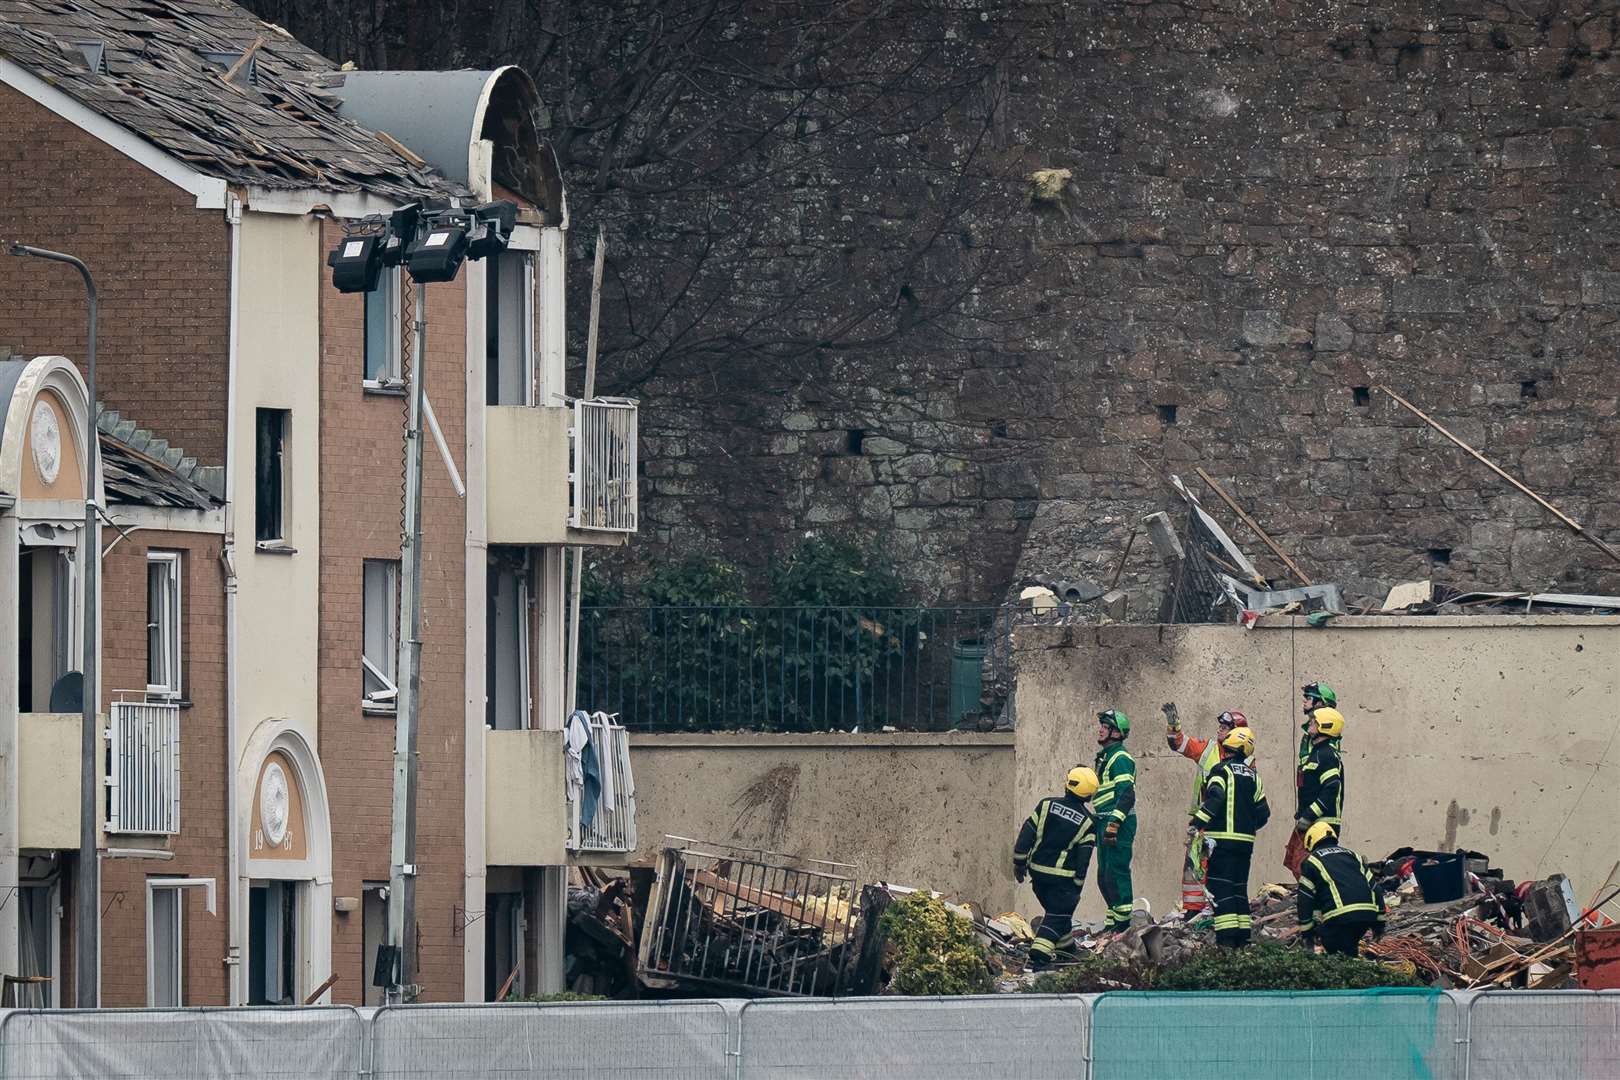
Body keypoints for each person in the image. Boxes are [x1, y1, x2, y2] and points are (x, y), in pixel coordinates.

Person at [1164, 703, 1251, 913]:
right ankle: (1194, 911)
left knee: (1222, 871)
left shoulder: (1248, 761)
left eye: (1225, 726)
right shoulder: (1208, 749)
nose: (1219, 729)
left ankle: (1216, 910)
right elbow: (1179, 744)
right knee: (1194, 867)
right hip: (1203, 821)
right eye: (1220, 725)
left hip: (1227, 824)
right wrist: (1173, 725)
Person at [1012, 767, 1100, 969]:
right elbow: (1083, 859)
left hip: (1037, 875)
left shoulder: (1046, 805)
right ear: (1089, 794)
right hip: (1062, 879)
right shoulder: (1088, 822)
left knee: (1058, 914)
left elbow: (1027, 833)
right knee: (1058, 914)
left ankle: (1067, 950)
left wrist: (1019, 862)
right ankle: (1039, 955)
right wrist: (1077, 885)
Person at [1190, 726, 1269, 947]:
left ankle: (1226, 943)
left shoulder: (1220, 770)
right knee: (1238, 889)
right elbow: (1264, 813)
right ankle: (1243, 939)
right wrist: (1246, 829)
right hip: (1245, 844)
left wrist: (1197, 822)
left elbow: (1215, 798)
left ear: (1227, 747)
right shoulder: (1254, 776)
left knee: (1220, 889)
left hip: (1221, 843)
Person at [1297, 822, 1386, 956]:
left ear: (1311, 842)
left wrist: (1307, 933)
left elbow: (1305, 898)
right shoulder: (1354, 856)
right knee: (1349, 949)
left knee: (1335, 953)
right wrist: (1379, 924)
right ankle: (1358, 970)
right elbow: (1375, 889)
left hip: (1340, 917)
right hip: (1367, 915)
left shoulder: (1311, 861)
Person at [1286, 682, 1341, 878]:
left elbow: (1330, 787)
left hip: (1320, 819)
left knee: (1313, 869)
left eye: (1309, 698)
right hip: (1309, 815)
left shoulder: (1326, 750)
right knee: (1299, 864)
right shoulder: (1310, 741)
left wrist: (1309, 814)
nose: (1304, 701)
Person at [1093, 709, 1138, 934]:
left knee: (1116, 872)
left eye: (1105, 725)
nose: (1100, 729)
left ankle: (1122, 926)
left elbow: (1127, 794)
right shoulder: (1105, 756)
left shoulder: (1120, 757)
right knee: (1104, 875)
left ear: (1116, 733)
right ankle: (1112, 923)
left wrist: (1114, 823)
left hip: (1118, 823)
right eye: (1101, 725)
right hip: (1104, 820)